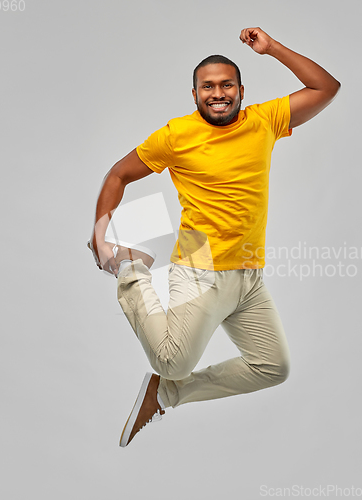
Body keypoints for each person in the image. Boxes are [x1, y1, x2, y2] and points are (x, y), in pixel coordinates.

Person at [89, 27, 340, 447]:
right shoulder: (175, 136)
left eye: (227, 85)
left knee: (272, 367)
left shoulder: (264, 120)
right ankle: (131, 271)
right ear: (194, 94)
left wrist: (272, 47)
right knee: (171, 360)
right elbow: (118, 174)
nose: (218, 93)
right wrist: (101, 234)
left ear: (242, 90)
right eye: (208, 86)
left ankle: (167, 394)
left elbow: (325, 87)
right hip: (199, 268)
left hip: (248, 275)